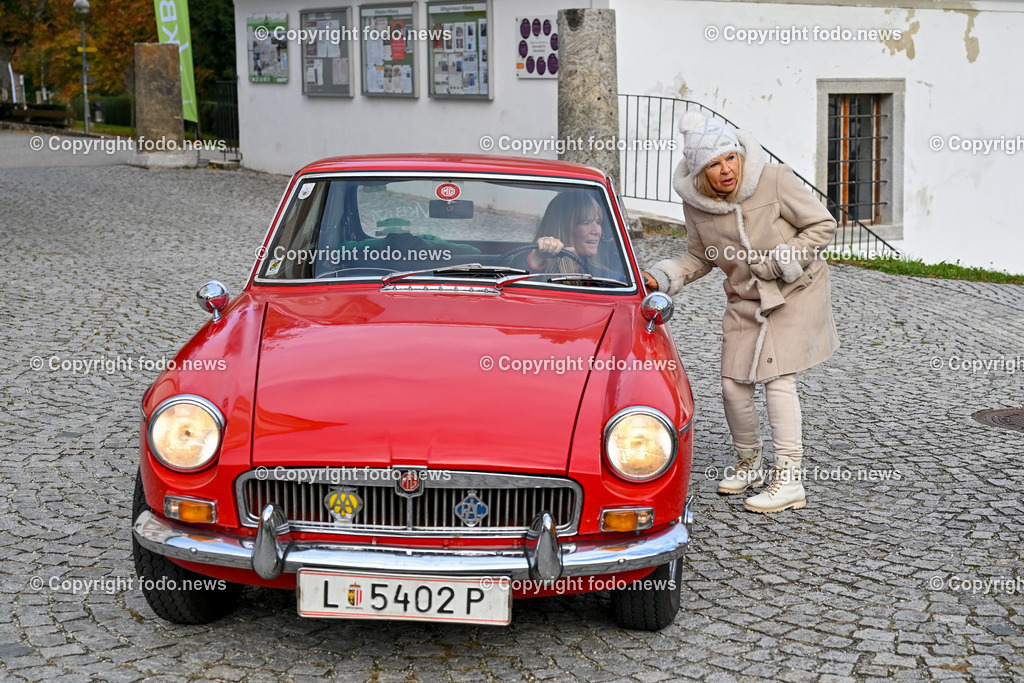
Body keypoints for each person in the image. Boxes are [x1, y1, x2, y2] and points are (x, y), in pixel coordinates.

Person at [642, 111, 839, 514]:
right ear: (701, 173)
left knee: (777, 377)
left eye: (730, 158)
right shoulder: (696, 205)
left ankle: (789, 479)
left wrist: (785, 259)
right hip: (745, 299)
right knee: (733, 384)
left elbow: (822, 224)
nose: (726, 169)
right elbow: (700, 256)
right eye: (714, 164)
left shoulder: (774, 178)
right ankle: (749, 463)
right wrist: (662, 276)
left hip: (794, 289)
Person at [522, 190, 623, 280]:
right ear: (565, 229)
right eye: (586, 222)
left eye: (598, 222)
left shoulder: (605, 276)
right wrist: (536, 258)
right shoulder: (537, 271)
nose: (596, 231)